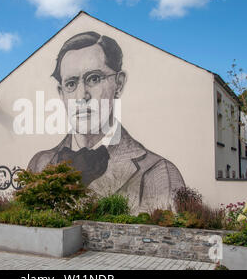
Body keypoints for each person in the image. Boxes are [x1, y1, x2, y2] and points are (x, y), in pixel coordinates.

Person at [27, 31, 185, 213]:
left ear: (119, 84)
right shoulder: (40, 164)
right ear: (61, 94)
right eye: (71, 84)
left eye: (94, 78)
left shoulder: (159, 172)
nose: (82, 96)